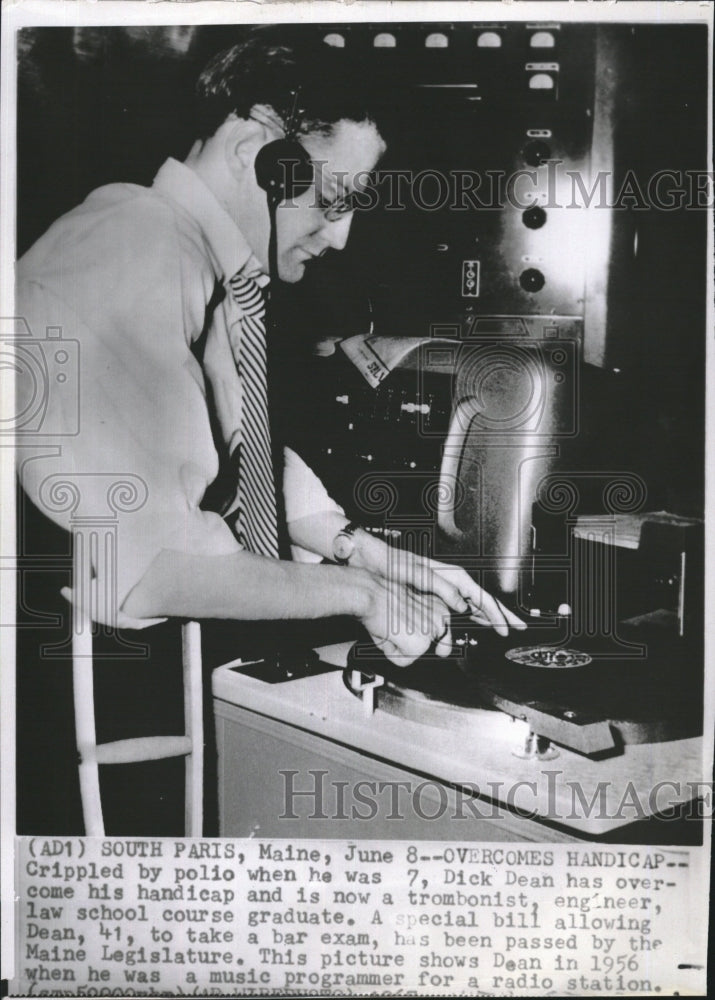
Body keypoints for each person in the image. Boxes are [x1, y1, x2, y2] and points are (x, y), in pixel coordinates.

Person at [16, 29, 523, 676]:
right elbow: (151, 568)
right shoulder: (139, 245)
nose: (339, 238)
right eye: (334, 200)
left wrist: (364, 552)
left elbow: (216, 449)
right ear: (256, 150)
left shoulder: (192, 263)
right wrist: (364, 595)